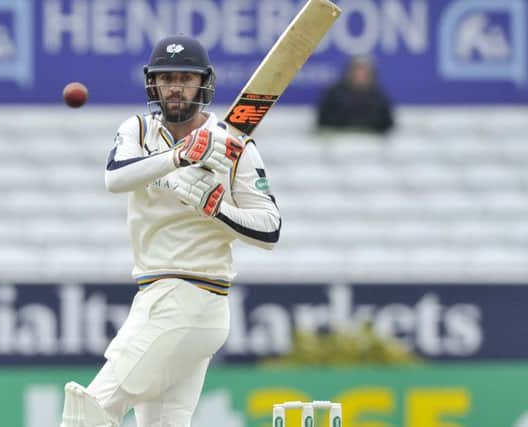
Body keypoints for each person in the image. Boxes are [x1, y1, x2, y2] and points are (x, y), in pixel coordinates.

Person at [59, 35, 281, 427]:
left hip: (189, 297)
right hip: (161, 295)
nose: (175, 87)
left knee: (91, 411)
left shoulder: (237, 148)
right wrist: (177, 157)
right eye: (166, 78)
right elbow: (115, 178)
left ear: (203, 83)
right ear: (153, 84)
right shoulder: (139, 131)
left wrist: (218, 210)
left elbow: (270, 229)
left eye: (185, 78)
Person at [317, 56, 394, 134]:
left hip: (370, 140)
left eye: (364, 72)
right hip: (339, 139)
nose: (360, 75)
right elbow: (323, 120)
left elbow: (387, 124)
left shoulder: (379, 97)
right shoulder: (334, 94)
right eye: (357, 71)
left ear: (372, 74)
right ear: (350, 72)